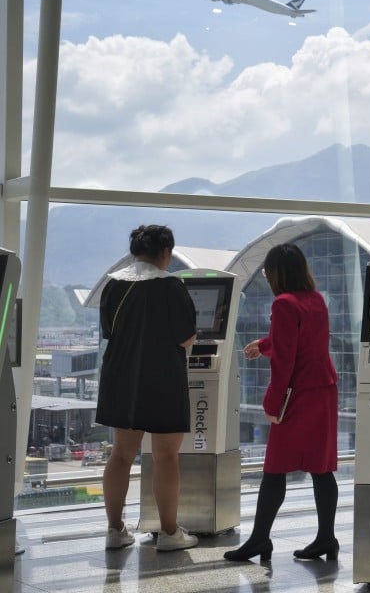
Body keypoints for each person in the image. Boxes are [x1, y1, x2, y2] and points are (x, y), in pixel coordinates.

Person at [225, 243, 339, 563]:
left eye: (266, 271)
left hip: (299, 395)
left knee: (274, 469)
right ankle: (327, 539)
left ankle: (260, 539)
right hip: (324, 389)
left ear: (276, 273)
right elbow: (301, 342)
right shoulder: (316, 300)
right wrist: (262, 345)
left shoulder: (283, 304)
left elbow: (286, 359)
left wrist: (272, 404)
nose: (266, 276)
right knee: (321, 468)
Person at [96, 225, 199, 552]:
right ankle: (169, 533)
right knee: (166, 455)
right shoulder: (172, 285)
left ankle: (115, 530)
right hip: (163, 377)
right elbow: (186, 335)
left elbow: (109, 331)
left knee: (121, 454)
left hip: (121, 375)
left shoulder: (113, 284)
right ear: (165, 253)